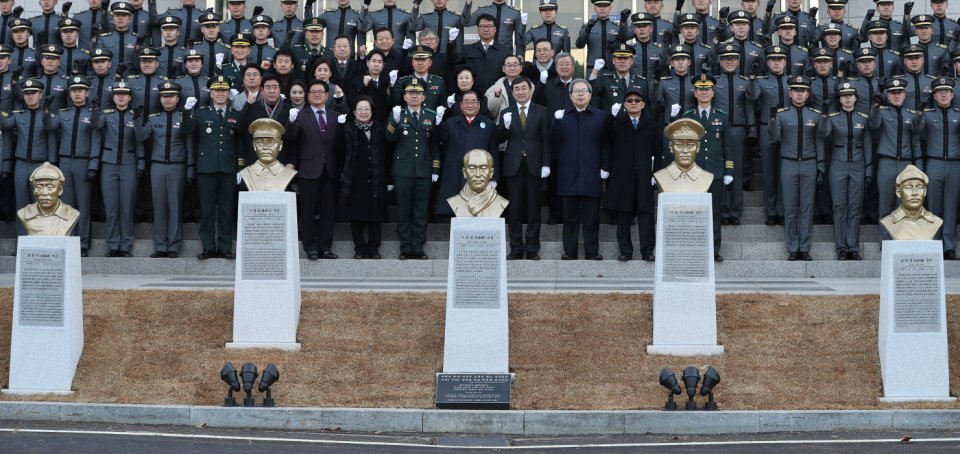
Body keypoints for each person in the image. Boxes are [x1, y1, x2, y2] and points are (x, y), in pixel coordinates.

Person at [549, 79, 610, 261]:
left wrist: (605, 167)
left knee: (591, 216)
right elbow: (552, 140)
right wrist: (556, 122)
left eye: (584, 91)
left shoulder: (600, 116)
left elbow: (606, 144)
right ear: (570, 96)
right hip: (568, 173)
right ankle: (570, 251)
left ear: (590, 95)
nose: (581, 94)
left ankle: (592, 252)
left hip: (591, 172)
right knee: (569, 217)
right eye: (577, 91)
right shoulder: (562, 115)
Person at [182, 75, 241, 260]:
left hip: (229, 168)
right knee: (207, 211)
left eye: (224, 90)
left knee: (226, 210)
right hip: (206, 168)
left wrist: (241, 167)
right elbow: (185, 131)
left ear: (228, 93)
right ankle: (208, 247)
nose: (220, 94)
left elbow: (240, 142)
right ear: (211, 93)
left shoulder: (236, 114)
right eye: (217, 90)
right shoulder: (201, 113)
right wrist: (186, 111)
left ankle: (224, 247)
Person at [135, 81, 195, 258]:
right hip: (158, 166)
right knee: (159, 207)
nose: (167, 100)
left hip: (178, 166)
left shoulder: (184, 117)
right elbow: (141, 136)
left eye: (171, 97)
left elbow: (190, 146)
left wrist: (190, 170)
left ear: (177, 98)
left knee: (175, 207)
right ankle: (160, 245)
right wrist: (138, 119)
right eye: (164, 97)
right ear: (160, 99)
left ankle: (174, 246)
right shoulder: (154, 118)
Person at [42, 74, 100, 256]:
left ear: (87, 93)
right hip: (65, 162)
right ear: (69, 93)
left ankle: (82, 244)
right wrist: (46, 111)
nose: (77, 94)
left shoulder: (92, 114)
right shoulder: (63, 114)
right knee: (66, 205)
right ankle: (68, 240)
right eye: (74, 91)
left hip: (83, 162)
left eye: (80, 91)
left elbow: (96, 141)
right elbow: (50, 127)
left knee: (83, 206)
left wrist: (93, 166)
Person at [768, 75, 824, 261]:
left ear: (807, 94)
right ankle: (793, 248)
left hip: (809, 163)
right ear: (790, 93)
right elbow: (774, 138)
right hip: (789, 163)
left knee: (807, 208)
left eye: (803, 91)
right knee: (790, 208)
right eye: (796, 91)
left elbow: (820, 141)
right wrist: (772, 118)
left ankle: (805, 248)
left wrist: (821, 167)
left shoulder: (815, 115)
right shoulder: (782, 114)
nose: (799, 94)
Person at [286, 79, 342, 260]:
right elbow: (290, 136)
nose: (317, 94)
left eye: (321, 91)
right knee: (308, 211)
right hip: (308, 169)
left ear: (327, 95)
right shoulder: (301, 115)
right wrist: (291, 121)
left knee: (328, 211)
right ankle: (310, 248)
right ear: (308, 96)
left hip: (330, 170)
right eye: (313, 92)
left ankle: (325, 248)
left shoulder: (335, 115)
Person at [603, 88, 660, 262]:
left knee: (646, 215)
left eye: (637, 100)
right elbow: (604, 137)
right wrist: (611, 117)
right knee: (623, 215)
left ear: (643, 104)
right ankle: (625, 251)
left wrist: (655, 174)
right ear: (624, 105)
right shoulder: (617, 123)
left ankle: (647, 251)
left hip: (644, 176)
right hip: (622, 177)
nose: (633, 103)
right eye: (629, 101)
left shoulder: (651, 125)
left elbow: (658, 152)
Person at [681, 74, 734, 262]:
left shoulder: (721, 116)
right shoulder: (687, 117)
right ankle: (693, 249)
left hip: (715, 172)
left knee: (714, 211)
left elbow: (727, 146)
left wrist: (728, 171)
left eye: (707, 89)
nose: (704, 92)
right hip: (693, 172)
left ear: (712, 93)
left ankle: (713, 249)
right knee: (692, 211)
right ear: (695, 93)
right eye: (700, 89)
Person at [497, 76, 548, 260]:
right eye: (516, 89)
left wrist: (546, 164)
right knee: (515, 210)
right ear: (512, 92)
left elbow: (545, 140)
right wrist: (505, 126)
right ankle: (516, 247)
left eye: (523, 88)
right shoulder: (506, 112)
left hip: (534, 165)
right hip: (513, 166)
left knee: (534, 209)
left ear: (530, 90)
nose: (520, 92)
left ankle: (533, 248)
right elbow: (499, 139)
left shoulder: (541, 111)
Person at [818, 82, 871, 261]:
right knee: (839, 207)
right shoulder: (833, 117)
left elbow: (868, 145)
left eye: (850, 95)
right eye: (843, 95)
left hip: (858, 164)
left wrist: (869, 170)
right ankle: (841, 247)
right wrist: (824, 115)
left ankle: (853, 247)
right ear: (839, 99)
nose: (847, 98)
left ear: (856, 97)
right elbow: (824, 134)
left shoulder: (864, 118)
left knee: (855, 208)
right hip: (838, 163)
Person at [387, 78, 439, 259]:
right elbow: (389, 139)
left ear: (424, 96)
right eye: (410, 93)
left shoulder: (431, 115)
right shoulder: (397, 113)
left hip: (424, 170)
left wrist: (435, 170)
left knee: (421, 210)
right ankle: (405, 247)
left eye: (417, 93)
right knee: (404, 210)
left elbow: (434, 146)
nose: (414, 96)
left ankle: (418, 246)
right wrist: (393, 121)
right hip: (402, 170)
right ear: (404, 96)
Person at [89, 80, 142, 257]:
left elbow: (139, 141)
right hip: (109, 164)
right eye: (117, 94)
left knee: (126, 207)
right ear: (113, 97)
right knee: (111, 208)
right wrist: (95, 110)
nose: (121, 97)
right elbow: (95, 125)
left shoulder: (135, 115)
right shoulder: (106, 114)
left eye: (124, 94)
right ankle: (113, 245)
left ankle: (125, 246)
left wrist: (141, 163)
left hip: (129, 163)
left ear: (129, 97)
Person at [1, 79, 56, 238]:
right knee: (23, 207)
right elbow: (5, 125)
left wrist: (51, 166)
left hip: (41, 166)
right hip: (21, 165)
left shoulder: (47, 116)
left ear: (40, 95)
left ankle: (41, 242)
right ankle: (22, 242)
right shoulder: (18, 116)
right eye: (26, 94)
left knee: (42, 205)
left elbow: (52, 141)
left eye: (33, 93)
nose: (30, 97)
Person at [912, 77, 960, 258]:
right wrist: (919, 112)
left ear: (952, 94)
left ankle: (948, 247)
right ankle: (934, 243)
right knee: (933, 206)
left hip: (955, 163)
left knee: (951, 206)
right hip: (934, 163)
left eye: (946, 92)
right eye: (940, 92)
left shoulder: (958, 114)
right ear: (934, 96)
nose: (943, 95)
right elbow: (916, 130)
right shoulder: (928, 114)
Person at [871, 78, 923, 239]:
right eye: (892, 93)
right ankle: (884, 241)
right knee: (885, 205)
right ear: (887, 95)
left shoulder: (911, 115)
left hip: (906, 164)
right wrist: (875, 106)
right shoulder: (883, 112)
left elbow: (916, 140)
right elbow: (873, 124)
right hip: (886, 162)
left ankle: (902, 240)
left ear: (904, 95)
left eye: (899, 92)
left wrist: (919, 168)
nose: (896, 96)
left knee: (905, 206)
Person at [340, 94, 389, 259]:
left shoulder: (380, 128)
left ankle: (374, 247)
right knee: (356, 215)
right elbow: (339, 150)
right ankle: (359, 248)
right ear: (353, 112)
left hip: (376, 176)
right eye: (359, 109)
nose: (363, 112)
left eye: (366, 109)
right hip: (355, 177)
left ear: (372, 111)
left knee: (376, 214)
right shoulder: (347, 128)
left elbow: (386, 154)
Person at [436, 90, 498, 218]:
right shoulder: (451, 123)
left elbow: (493, 152)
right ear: (460, 105)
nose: (470, 105)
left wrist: (494, 177)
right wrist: (438, 122)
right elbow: (439, 138)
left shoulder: (489, 125)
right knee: (456, 210)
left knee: (479, 212)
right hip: (455, 174)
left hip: (480, 176)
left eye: (473, 102)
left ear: (479, 104)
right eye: (466, 102)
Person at [713, 44, 754, 226]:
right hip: (718, 129)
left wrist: (751, 129)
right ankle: (721, 210)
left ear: (738, 62)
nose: (729, 62)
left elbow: (750, 107)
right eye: (725, 59)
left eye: (733, 59)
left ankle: (736, 211)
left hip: (738, 129)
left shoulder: (745, 82)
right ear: (720, 62)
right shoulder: (713, 82)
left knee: (736, 171)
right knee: (719, 170)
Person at [750, 45, 792, 225]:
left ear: (785, 62)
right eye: (773, 60)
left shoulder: (793, 81)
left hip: (789, 130)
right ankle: (771, 211)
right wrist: (752, 79)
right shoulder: (761, 81)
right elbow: (752, 97)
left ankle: (783, 210)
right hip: (766, 128)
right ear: (768, 63)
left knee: (784, 172)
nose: (776, 63)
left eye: (779, 60)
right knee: (768, 172)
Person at [537, 52, 574, 225]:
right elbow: (536, 104)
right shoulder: (548, 84)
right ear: (556, 67)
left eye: (567, 63)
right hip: (552, 140)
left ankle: (570, 215)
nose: (564, 67)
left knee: (572, 179)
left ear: (573, 67)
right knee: (554, 182)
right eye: (560, 64)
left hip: (574, 141)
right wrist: (540, 83)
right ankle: (555, 214)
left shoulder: (579, 85)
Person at [238, 72, 296, 167]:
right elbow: (240, 128)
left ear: (280, 89)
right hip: (255, 164)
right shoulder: (252, 108)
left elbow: (295, 141)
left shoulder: (290, 110)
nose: (272, 91)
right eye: (268, 87)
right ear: (262, 90)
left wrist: (292, 162)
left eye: (275, 87)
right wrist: (248, 105)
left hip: (282, 164)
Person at [879, 165, 943, 240]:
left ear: (925, 192)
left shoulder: (935, 221)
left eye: (919, 187)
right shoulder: (888, 221)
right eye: (909, 188)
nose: (914, 193)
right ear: (898, 192)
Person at [452, 14, 506, 95]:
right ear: (478, 29)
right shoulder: (467, 50)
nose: (486, 29)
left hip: (497, 96)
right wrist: (451, 43)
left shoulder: (504, 51)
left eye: (490, 26)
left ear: (495, 29)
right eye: (482, 26)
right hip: (473, 98)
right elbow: (453, 61)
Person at [576, 0, 619, 74]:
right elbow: (579, 45)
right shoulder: (588, 26)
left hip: (612, 69)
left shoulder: (617, 27)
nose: (602, 9)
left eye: (605, 6)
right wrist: (587, 30)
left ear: (610, 8)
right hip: (592, 68)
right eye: (599, 6)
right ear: (594, 9)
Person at [620, 12, 665, 80]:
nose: (641, 29)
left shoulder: (659, 49)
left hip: (654, 87)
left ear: (651, 29)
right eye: (638, 27)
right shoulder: (629, 50)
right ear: (634, 30)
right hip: (634, 87)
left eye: (645, 26)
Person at [347, 48, 388, 122]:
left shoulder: (387, 82)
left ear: (383, 65)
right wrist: (363, 86)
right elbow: (351, 102)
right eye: (373, 61)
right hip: (362, 123)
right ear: (367, 63)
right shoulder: (356, 81)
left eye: (379, 62)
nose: (376, 65)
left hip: (382, 125)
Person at [719, 10, 763, 79]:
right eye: (737, 24)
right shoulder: (723, 47)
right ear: (731, 28)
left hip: (750, 86)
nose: (741, 27)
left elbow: (761, 72)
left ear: (748, 28)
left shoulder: (757, 49)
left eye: (744, 24)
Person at [96, 2, 139, 70]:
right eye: (117, 15)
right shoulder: (104, 39)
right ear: (113, 20)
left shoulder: (137, 39)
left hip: (130, 78)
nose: (120, 18)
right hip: (110, 78)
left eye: (124, 16)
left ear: (129, 19)